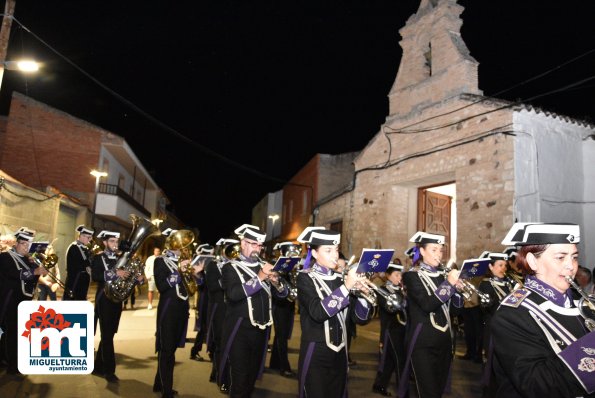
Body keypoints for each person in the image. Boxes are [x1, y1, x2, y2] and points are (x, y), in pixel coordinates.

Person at [491, 223, 594, 397]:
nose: (571, 266)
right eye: (561, 257)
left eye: (574, 257)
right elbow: (536, 384)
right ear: (532, 261)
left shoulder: (581, 301)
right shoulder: (512, 314)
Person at [296, 226, 372, 398]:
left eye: (336, 250)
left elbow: (359, 318)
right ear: (314, 254)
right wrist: (346, 288)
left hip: (341, 353)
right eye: (328, 250)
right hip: (316, 352)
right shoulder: (305, 277)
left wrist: (362, 295)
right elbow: (317, 312)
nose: (335, 255)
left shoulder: (341, 279)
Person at [220, 224, 288, 397]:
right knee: (240, 380)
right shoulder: (230, 267)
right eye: (253, 244)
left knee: (252, 377)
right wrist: (260, 277)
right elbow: (233, 295)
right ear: (243, 243)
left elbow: (282, 296)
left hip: (261, 330)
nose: (257, 248)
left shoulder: (265, 266)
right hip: (239, 330)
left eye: (260, 245)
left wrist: (276, 282)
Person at [398, 231, 463, 398]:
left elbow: (455, 310)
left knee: (439, 390)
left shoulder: (443, 275)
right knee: (428, 392)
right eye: (434, 249)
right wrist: (449, 284)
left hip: (445, 341)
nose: (439, 254)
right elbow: (427, 304)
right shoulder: (411, 276)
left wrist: (458, 292)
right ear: (422, 251)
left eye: (440, 250)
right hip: (423, 343)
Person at [152, 230, 205, 398]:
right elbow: (162, 286)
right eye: (182, 245)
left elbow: (195, 286)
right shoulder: (160, 261)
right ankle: (166, 391)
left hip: (182, 309)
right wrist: (178, 272)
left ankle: (159, 383)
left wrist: (196, 274)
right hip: (168, 309)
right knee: (167, 350)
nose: (184, 248)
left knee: (171, 349)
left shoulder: (183, 262)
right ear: (172, 244)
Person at [0, 228, 48, 376]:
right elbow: (13, 274)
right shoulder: (5, 257)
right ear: (16, 243)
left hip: (25, 301)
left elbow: (32, 280)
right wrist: (33, 271)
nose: (26, 248)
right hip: (10, 301)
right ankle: (11, 365)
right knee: (11, 332)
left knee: (22, 333)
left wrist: (38, 268)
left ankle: (17, 361)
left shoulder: (28, 260)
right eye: (23, 244)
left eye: (28, 245)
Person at [477, 251, 514, 396]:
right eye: (499, 265)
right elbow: (490, 307)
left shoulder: (509, 284)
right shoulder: (486, 285)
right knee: (491, 368)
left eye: (505, 265)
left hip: (509, 332)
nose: (503, 268)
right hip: (493, 331)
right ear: (491, 267)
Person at [91, 230, 126, 383]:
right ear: (104, 242)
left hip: (116, 301)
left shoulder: (120, 258)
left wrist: (136, 278)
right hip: (103, 299)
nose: (115, 244)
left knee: (109, 334)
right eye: (112, 241)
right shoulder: (98, 257)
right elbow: (96, 276)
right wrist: (114, 273)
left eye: (116, 242)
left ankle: (98, 366)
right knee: (106, 335)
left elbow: (126, 275)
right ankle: (109, 371)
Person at [372, 262, 407, 397]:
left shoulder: (401, 289)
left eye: (400, 275)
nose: (399, 278)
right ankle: (403, 392)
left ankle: (379, 385)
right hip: (391, 330)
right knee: (400, 360)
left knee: (390, 361)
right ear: (388, 276)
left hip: (402, 329)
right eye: (396, 275)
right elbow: (389, 309)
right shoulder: (383, 290)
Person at [207, 238, 237, 392]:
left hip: (233, 309)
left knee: (231, 344)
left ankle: (222, 374)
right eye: (227, 248)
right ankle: (221, 377)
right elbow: (211, 287)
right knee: (220, 343)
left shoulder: (236, 266)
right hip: (219, 308)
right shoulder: (213, 265)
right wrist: (225, 279)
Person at [269, 241, 298, 378]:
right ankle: (283, 366)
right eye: (290, 251)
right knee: (281, 336)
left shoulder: (292, 268)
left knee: (282, 335)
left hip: (289, 305)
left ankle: (274, 362)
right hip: (279, 305)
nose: (293, 254)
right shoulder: (276, 266)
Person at [190, 243, 213, 361]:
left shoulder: (213, 265)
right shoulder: (198, 267)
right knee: (203, 327)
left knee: (212, 327)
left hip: (213, 299)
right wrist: (197, 272)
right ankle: (195, 351)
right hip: (204, 299)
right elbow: (200, 283)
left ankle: (212, 352)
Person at [64, 225, 94, 300]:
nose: (89, 240)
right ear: (82, 236)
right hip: (75, 282)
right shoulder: (74, 247)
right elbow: (80, 265)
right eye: (88, 237)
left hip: (82, 283)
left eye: (90, 238)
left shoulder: (84, 248)